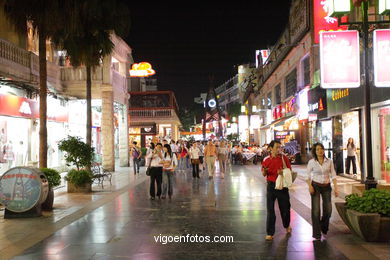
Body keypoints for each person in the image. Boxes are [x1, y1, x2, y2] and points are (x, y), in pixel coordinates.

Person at [306, 142, 339, 241]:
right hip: (315, 185)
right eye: (317, 149)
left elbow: (333, 175)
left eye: (321, 149)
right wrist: (310, 186)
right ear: (314, 152)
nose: (320, 151)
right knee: (316, 210)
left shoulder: (329, 161)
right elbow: (307, 176)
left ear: (324, 150)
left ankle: (323, 226)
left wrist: (336, 188)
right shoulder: (311, 162)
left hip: (326, 186)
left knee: (328, 210)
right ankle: (316, 234)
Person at [261, 140, 292, 241]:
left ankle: (287, 225)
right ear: (270, 148)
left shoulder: (284, 158)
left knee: (285, 209)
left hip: (282, 186)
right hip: (271, 186)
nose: (279, 149)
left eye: (280, 147)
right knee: (270, 210)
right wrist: (265, 171)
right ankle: (270, 233)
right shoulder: (266, 159)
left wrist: (282, 172)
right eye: (277, 147)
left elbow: (289, 171)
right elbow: (264, 174)